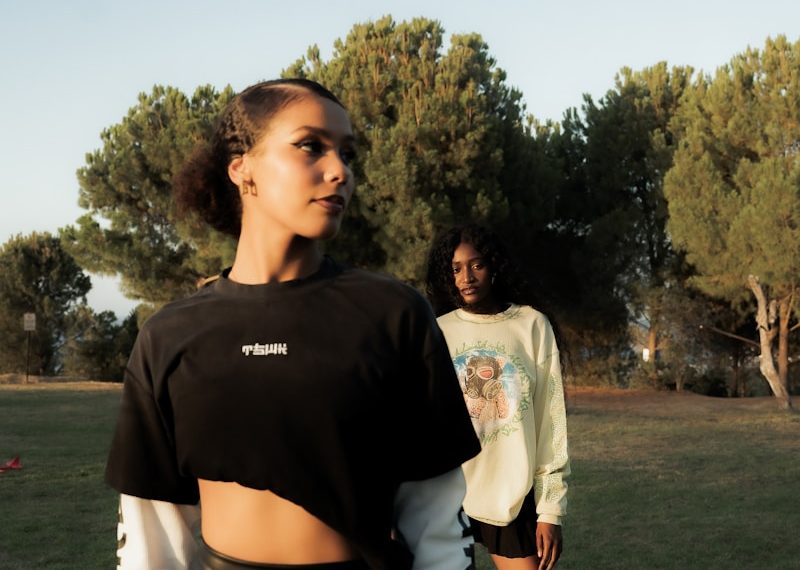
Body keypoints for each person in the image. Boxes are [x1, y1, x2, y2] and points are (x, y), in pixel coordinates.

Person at [105, 78, 481, 570]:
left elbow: (436, 516)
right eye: (311, 147)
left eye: (347, 154)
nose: (339, 171)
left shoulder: (393, 315)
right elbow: (154, 529)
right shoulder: (170, 334)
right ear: (242, 168)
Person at [425, 224, 570, 570]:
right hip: (445, 496)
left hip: (511, 494)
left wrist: (551, 510)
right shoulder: (437, 330)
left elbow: (551, 422)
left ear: (495, 267)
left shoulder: (531, 325)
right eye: (456, 268)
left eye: (477, 265)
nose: (467, 277)